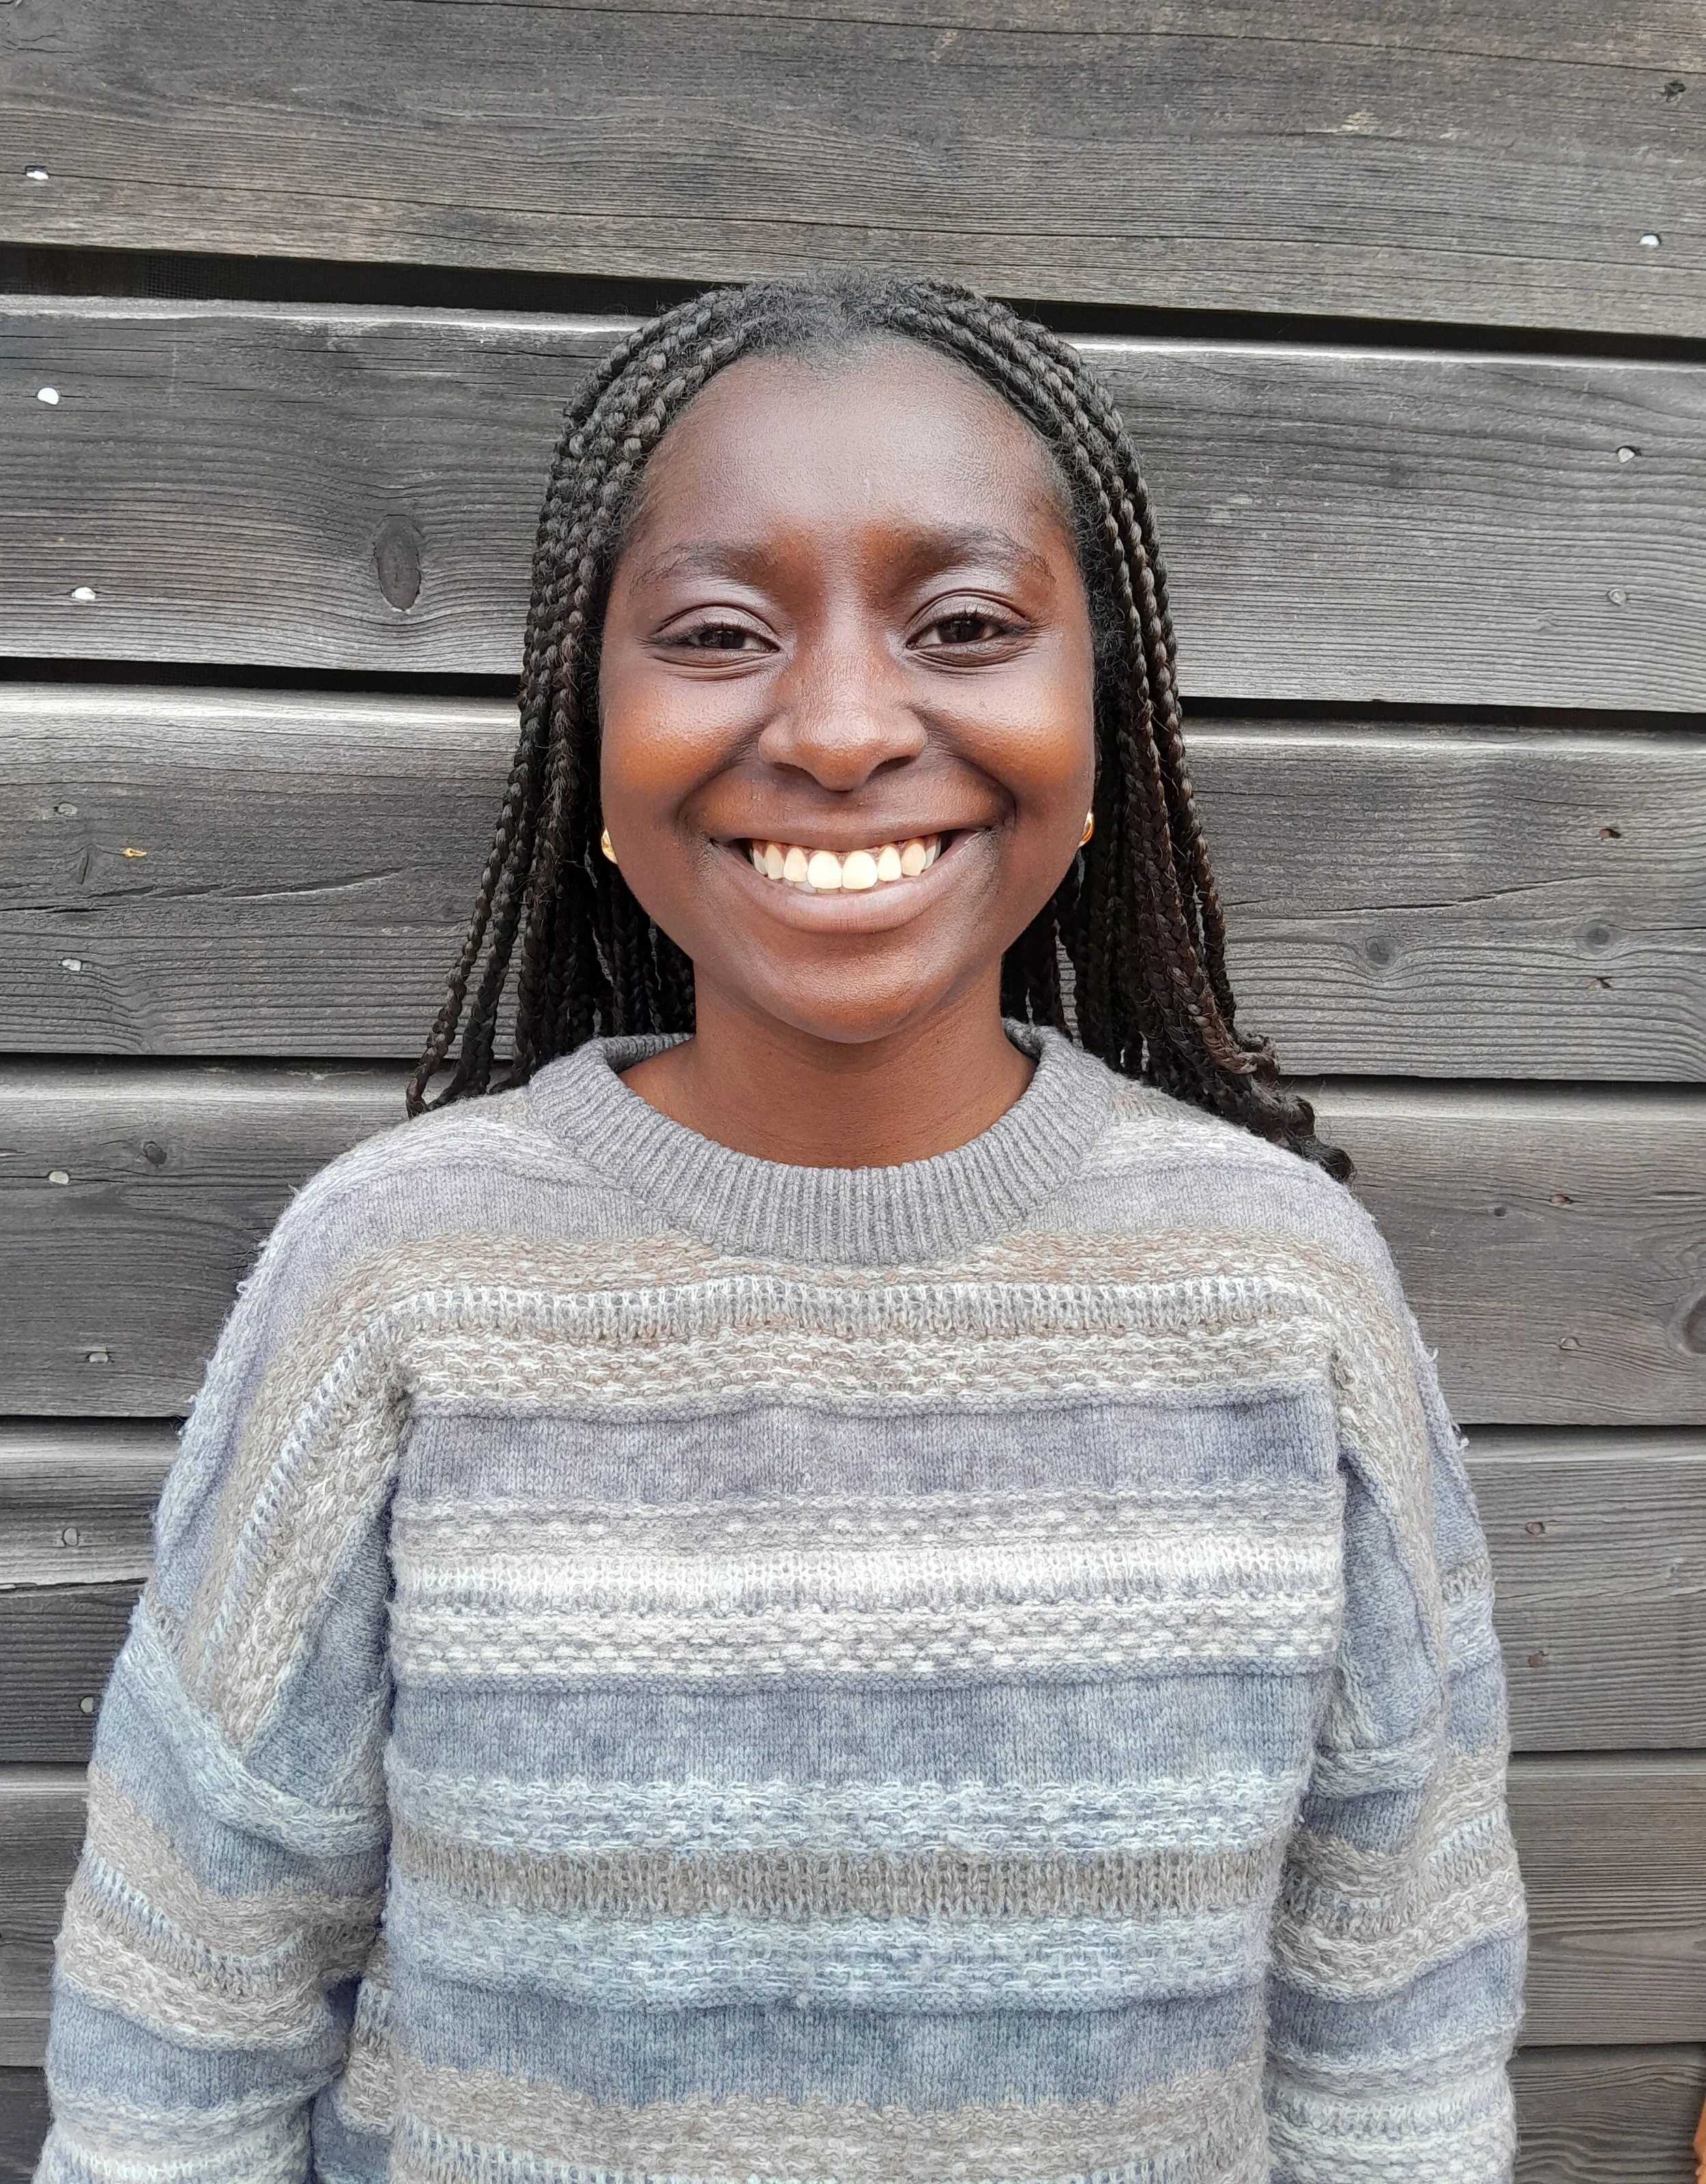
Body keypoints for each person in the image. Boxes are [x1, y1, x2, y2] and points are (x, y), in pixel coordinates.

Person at [35, 276, 1526, 2183]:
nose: (834, 727)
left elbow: (1391, 2003)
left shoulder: (1280, 1294)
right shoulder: (396, 1282)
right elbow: (187, 2004)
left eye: (966, 625)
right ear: (591, 740)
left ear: (1106, 726)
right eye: (719, 633)